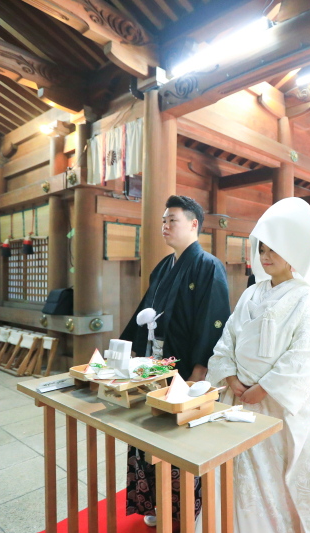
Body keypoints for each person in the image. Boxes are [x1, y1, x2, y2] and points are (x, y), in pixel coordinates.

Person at [207, 197, 310, 533]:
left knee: (272, 477)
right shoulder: (251, 294)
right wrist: (230, 378)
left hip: (274, 406)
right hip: (238, 398)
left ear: (294, 253)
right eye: (262, 249)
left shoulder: (304, 298)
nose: (266, 255)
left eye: (274, 248)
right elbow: (228, 338)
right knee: (232, 472)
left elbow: (306, 352)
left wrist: (265, 387)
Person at [119, 195, 231, 528]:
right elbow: (144, 314)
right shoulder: (162, 267)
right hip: (153, 367)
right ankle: (152, 500)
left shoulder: (209, 266)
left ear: (194, 224)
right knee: (146, 436)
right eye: (164, 221)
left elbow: (214, 321)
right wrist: (133, 352)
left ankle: (183, 510)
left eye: (173, 220)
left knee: (177, 442)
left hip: (184, 372)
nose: (165, 227)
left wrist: (200, 371)